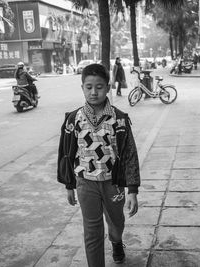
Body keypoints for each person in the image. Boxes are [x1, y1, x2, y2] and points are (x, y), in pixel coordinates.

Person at [57, 63, 140, 267]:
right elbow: (66, 153)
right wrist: (69, 185)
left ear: (108, 86)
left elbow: (129, 154)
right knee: (92, 231)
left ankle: (116, 240)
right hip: (85, 183)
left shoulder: (119, 119)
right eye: (89, 87)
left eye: (99, 87)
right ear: (82, 87)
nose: (94, 92)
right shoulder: (72, 119)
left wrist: (132, 190)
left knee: (116, 223)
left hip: (114, 184)